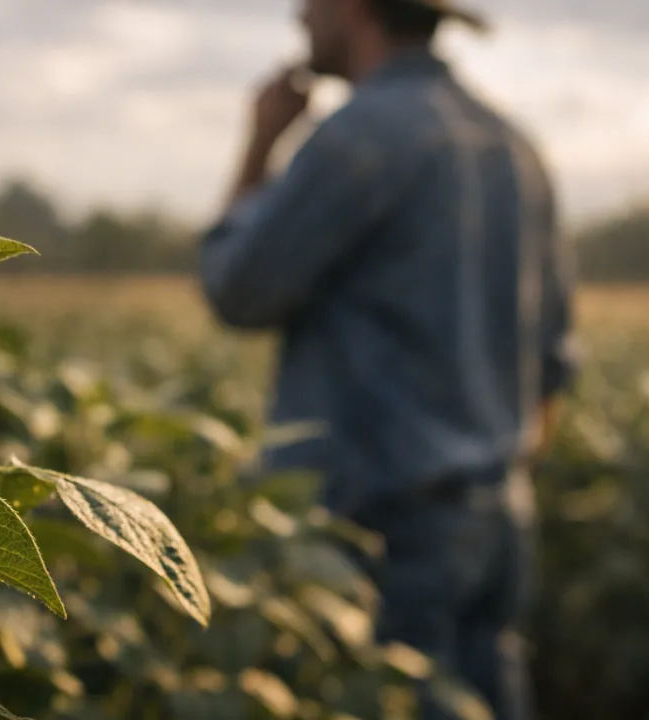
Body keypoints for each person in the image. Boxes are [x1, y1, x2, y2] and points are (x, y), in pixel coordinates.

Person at [198, 0, 577, 718]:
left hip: (379, 522)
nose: (299, 16)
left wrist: (260, 143)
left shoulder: (361, 136)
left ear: (353, 8)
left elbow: (238, 291)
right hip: (497, 516)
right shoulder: (511, 143)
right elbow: (553, 360)